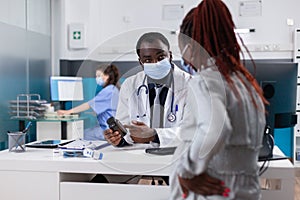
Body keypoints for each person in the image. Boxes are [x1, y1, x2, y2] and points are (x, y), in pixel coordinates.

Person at [170, 0, 268, 199]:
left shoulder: (206, 81)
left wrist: (187, 171)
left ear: (190, 48)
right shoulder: (246, 85)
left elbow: (216, 128)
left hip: (210, 191)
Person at [104, 32, 191, 148]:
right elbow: (125, 130)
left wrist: (154, 135)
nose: (156, 63)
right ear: (141, 62)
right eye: (148, 60)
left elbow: (194, 131)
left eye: (161, 57)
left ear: (170, 56)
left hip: (179, 155)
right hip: (141, 156)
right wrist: (118, 139)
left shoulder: (191, 84)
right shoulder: (130, 85)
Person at [57, 64, 120, 140]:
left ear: (106, 76)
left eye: (99, 76)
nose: (97, 78)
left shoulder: (109, 90)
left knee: (81, 135)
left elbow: (89, 105)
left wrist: (68, 111)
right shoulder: (114, 89)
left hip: (107, 129)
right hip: (110, 127)